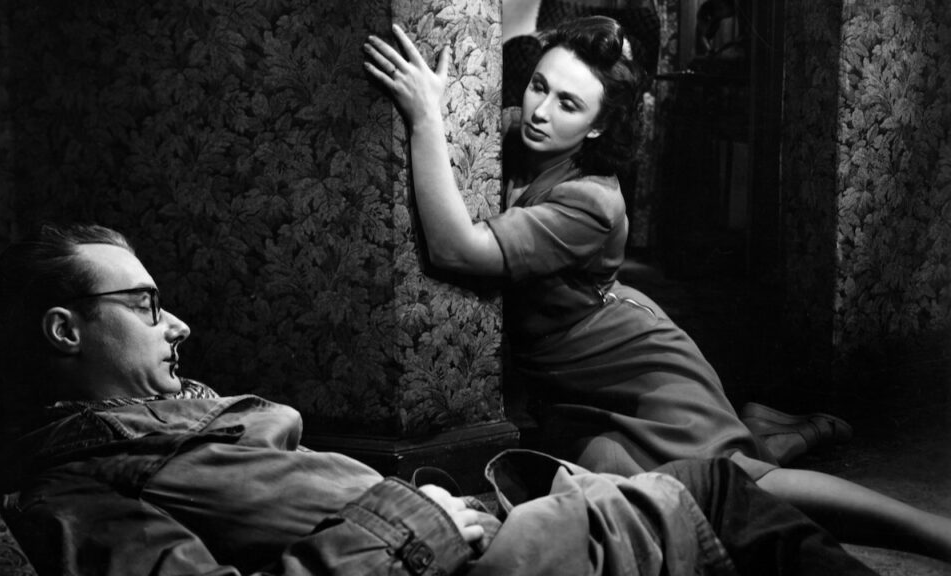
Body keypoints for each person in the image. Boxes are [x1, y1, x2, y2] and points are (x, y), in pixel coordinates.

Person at [362, 16, 951, 561]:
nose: (540, 111)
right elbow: (493, 133)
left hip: (633, 365)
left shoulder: (590, 202)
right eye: (539, 86)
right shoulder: (526, 133)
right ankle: (774, 426)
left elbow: (456, 249)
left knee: (736, 483)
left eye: (569, 103)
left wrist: (426, 118)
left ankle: (927, 527)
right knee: (643, 487)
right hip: (570, 376)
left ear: (597, 125)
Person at [0, 222, 880, 576]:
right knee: (708, 492)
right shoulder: (78, 489)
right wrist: (422, 524)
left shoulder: (157, 428)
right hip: (449, 561)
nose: (176, 325)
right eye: (144, 305)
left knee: (690, 482)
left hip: (447, 529)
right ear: (64, 331)